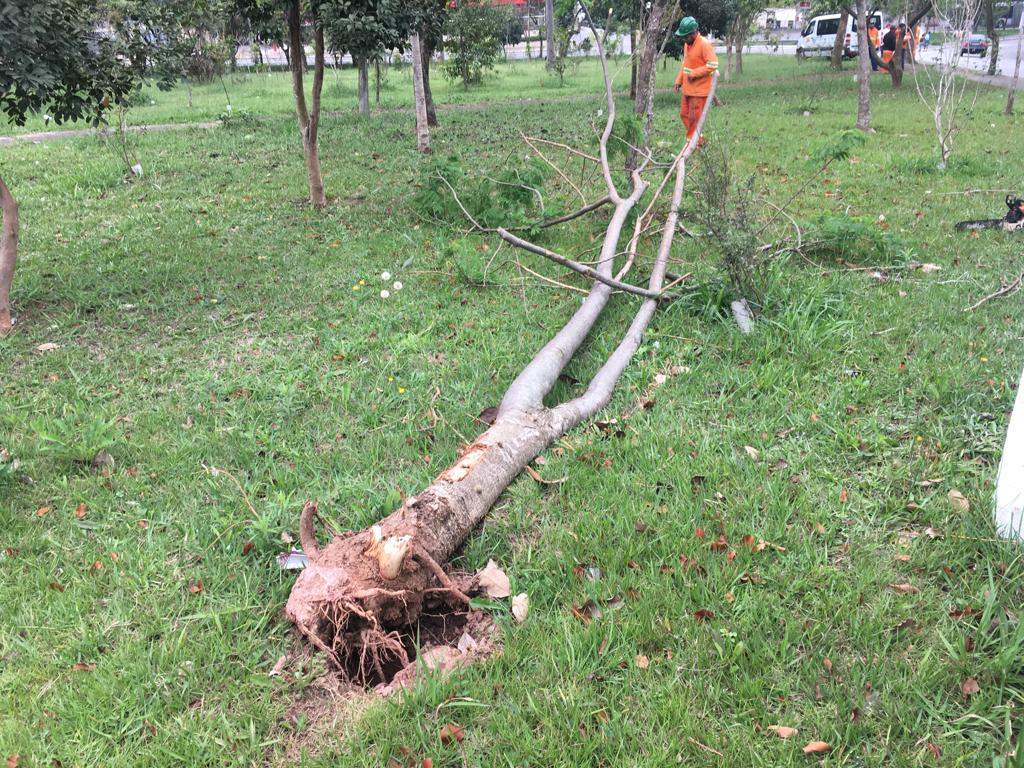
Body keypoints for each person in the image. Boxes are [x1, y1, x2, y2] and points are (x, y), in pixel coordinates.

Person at [673, 16, 718, 146]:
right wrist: (679, 80)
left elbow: (713, 64)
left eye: (686, 36)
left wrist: (695, 73)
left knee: (694, 118)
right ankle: (699, 139)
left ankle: (692, 145)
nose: (684, 39)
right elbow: (685, 64)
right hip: (687, 89)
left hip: (699, 91)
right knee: (684, 114)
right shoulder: (687, 45)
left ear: (693, 33)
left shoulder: (704, 44)